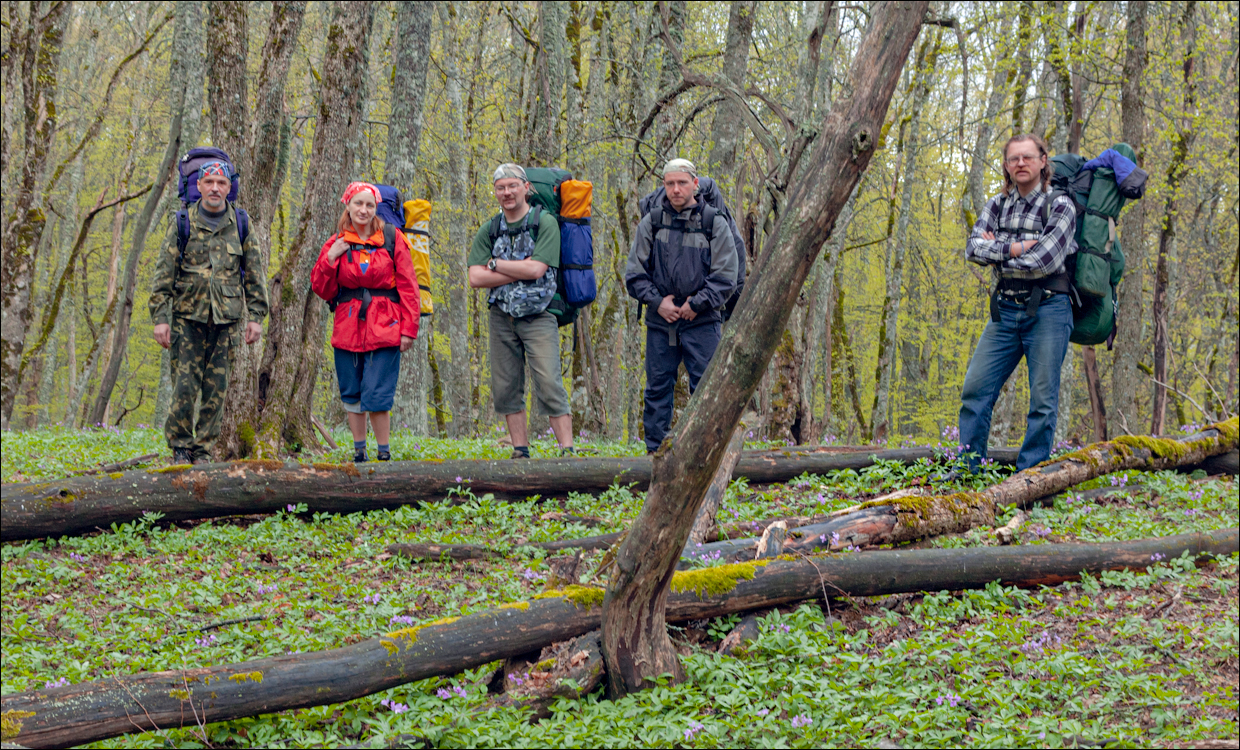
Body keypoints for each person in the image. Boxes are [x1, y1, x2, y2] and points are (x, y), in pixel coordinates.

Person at [959, 133, 1078, 471]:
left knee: (1042, 399)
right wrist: (1017, 247)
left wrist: (996, 250)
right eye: (1014, 159)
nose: (1021, 163)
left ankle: (1030, 475)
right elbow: (972, 249)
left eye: (1028, 157)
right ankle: (968, 468)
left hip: (1049, 309)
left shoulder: (1060, 205)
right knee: (975, 389)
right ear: (1007, 166)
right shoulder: (997, 205)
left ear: (1043, 161)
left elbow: (1044, 261)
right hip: (1005, 309)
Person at [150, 161, 268, 465]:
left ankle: (203, 451)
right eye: (210, 182)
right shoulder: (182, 223)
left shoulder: (241, 223)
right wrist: (160, 319)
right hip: (187, 320)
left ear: (229, 188)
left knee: (216, 392)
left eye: (221, 183)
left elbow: (255, 272)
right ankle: (180, 448)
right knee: (184, 387)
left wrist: (256, 317)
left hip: (226, 321)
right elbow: (163, 274)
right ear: (199, 186)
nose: (215, 188)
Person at [625, 158, 738, 455]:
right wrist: (657, 302)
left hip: (703, 322)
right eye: (670, 183)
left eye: (682, 183)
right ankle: (655, 453)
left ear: (695, 184)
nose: (676, 189)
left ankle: (706, 454)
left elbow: (726, 276)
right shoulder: (652, 221)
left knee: (707, 390)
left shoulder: (714, 222)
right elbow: (634, 274)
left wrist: (697, 304)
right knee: (657, 388)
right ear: (664, 185)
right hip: (660, 321)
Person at [468, 163, 574, 458]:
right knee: (505, 385)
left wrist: (495, 265)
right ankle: (520, 450)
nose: (507, 192)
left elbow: (538, 269)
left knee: (549, 382)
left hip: (539, 314)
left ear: (526, 188)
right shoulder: (490, 228)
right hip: (501, 315)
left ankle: (567, 452)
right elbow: (475, 277)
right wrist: (519, 269)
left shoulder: (545, 223)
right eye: (500, 188)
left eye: (512, 186)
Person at [311, 182, 420, 462]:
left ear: (376, 208)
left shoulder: (392, 238)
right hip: (347, 327)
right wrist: (330, 259)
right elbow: (322, 288)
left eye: (369, 205)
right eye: (358, 203)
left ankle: (383, 453)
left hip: (386, 326)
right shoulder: (336, 242)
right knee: (352, 392)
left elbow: (409, 286)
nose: (364, 210)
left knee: (378, 392)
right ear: (347, 205)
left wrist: (409, 329)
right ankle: (359, 453)